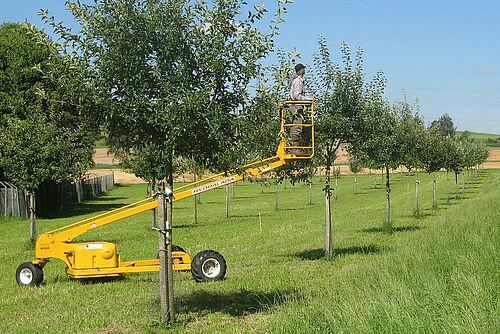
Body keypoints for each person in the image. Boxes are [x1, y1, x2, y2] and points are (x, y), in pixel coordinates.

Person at [289, 63, 313, 153]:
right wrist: (309, 99)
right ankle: (295, 148)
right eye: (303, 69)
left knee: (297, 125)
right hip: (296, 105)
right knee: (297, 125)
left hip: (296, 105)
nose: (304, 70)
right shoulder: (298, 82)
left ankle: (296, 147)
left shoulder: (299, 81)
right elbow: (297, 96)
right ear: (300, 70)